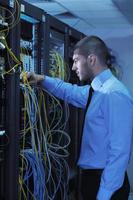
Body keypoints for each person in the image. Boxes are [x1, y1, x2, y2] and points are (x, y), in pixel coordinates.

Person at [27, 36, 133, 200]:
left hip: (106, 185)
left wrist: (104, 195)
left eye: (76, 60)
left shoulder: (113, 93)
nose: (74, 66)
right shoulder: (97, 90)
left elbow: (120, 151)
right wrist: (42, 80)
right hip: (93, 180)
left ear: (91, 59)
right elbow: (70, 92)